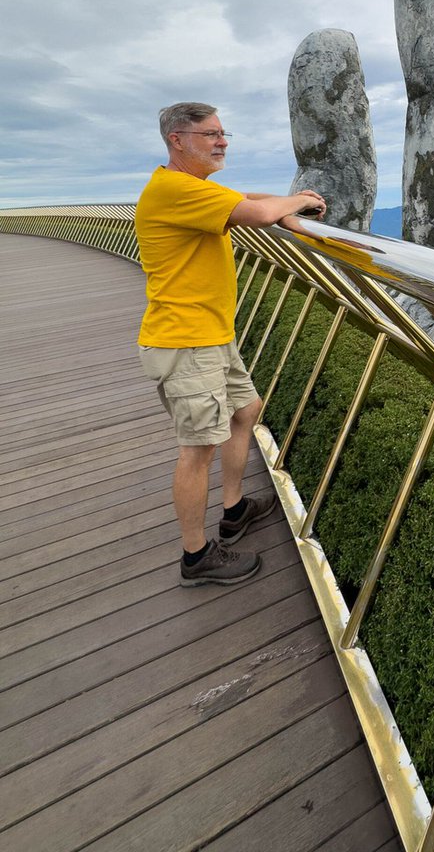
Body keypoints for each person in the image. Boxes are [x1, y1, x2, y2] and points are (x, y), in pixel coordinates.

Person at [135, 102, 326, 586]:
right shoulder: (174, 190)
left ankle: (235, 508)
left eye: (224, 134)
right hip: (184, 341)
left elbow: (247, 198)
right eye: (210, 134)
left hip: (211, 335)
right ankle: (196, 557)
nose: (221, 142)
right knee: (198, 448)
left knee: (246, 410)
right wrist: (294, 206)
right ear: (177, 140)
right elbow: (259, 212)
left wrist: (291, 199)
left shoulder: (193, 189)